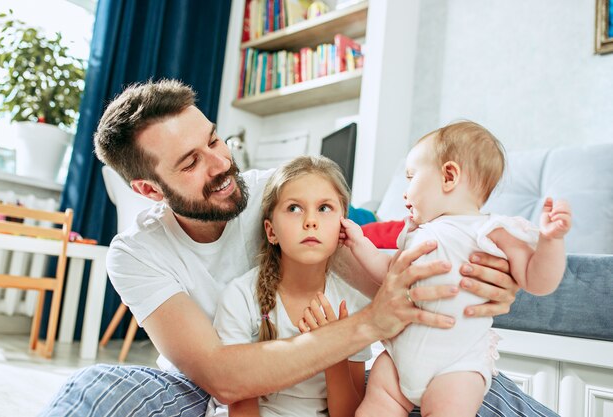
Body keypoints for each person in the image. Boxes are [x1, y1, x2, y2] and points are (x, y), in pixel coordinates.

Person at [39, 80, 557, 417]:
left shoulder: (280, 193)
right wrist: (369, 323)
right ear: (149, 190)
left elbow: (387, 263)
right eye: (190, 163)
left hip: (334, 381)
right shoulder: (135, 253)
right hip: (204, 394)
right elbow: (220, 377)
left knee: (460, 393)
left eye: (215, 140)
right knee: (95, 395)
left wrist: (480, 278)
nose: (220, 164)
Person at [342, 121, 571, 416]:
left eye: (411, 177)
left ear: (449, 176)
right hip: (399, 358)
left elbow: (538, 281)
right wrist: (359, 243)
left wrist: (551, 241)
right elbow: (389, 272)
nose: (405, 191)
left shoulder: (490, 230)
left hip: (456, 367)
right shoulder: (414, 232)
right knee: (376, 405)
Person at [208, 155, 370, 417]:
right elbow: (241, 406)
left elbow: (349, 413)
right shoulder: (241, 298)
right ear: (271, 231)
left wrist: (333, 349)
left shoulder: (352, 303)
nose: (310, 221)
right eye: (294, 208)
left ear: (343, 227)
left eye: (324, 208)